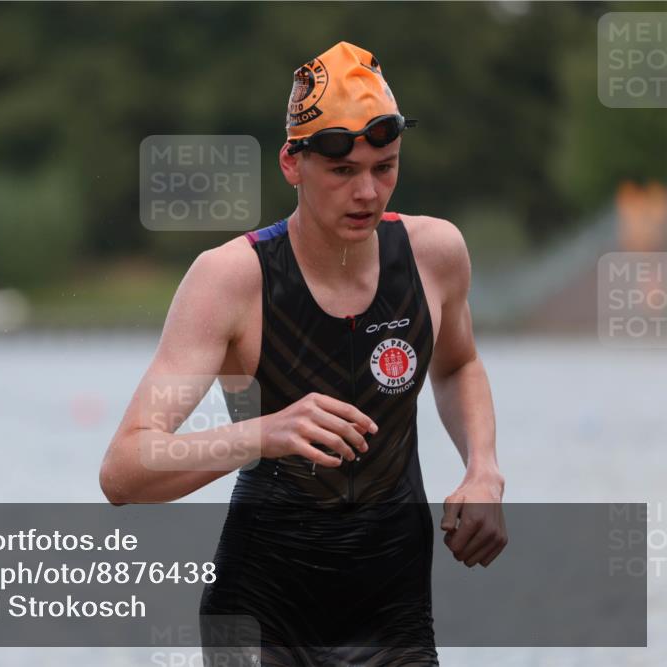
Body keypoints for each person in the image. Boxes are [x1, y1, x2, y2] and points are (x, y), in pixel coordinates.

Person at [100, 41, 507, 666]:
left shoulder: (435, 254)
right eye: (343, 172)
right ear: (293, 163)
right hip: (263, 612)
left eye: (386, 166)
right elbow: (124, 470)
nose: (368, 192)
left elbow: (457, 365)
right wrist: (266, 432)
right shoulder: (229, 281)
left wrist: (482, 469)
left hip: (394, 608)